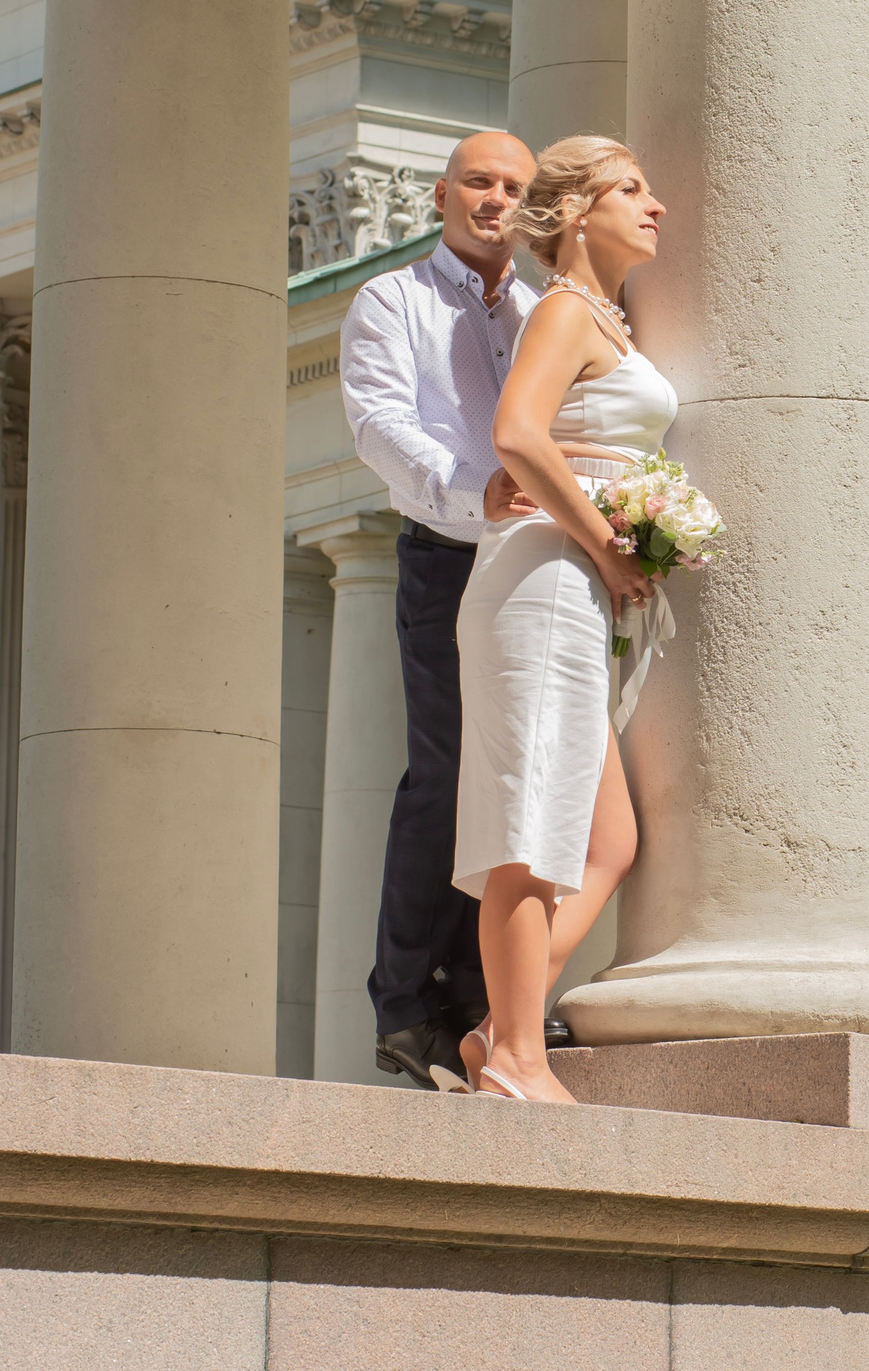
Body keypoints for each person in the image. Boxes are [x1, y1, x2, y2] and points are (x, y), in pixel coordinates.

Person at [450, 135, 668, 1102]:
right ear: (578, 211)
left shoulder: (608, 320)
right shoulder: (566, 310)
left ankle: (494, 1031)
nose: (656, 206)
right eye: (632, 190)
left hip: (569, 586)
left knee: (607, 841)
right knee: (531, 827)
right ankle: (518, 1060)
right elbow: (516, 433)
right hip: (542, 582)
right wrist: (609, 545)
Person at [337, 130, 553, 1089]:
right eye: (478, 182)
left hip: (537, 562)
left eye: (513, 186)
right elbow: (381, 424)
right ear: (441, 195)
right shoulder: (393, 300)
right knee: (448, 770)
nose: (496, 199)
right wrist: (478, 491)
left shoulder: (546, 311)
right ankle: (404, 1003)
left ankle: (480, 997)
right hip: (448, 555)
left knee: (519, 779)